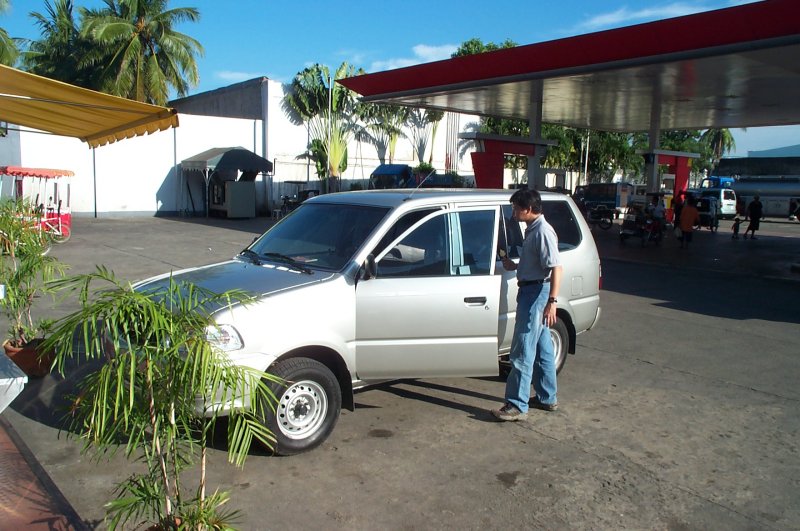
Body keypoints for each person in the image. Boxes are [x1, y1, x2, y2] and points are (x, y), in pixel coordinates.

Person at [492, 189, 562, 422]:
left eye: (515, 208)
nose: (513, 213)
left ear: (528, 209)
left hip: (536, 294)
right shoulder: (533, 230)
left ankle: (516, 405)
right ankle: (547, 397)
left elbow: (556, 267)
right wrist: (516, 266)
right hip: (532, 288)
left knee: (522, 350)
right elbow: (537, 263)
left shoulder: (542, 231)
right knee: (543, 350)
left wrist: (552, 302)